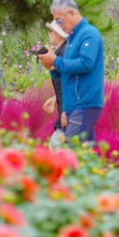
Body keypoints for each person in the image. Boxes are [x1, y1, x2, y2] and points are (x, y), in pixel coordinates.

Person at [37, 0, 104, 143]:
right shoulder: (72, 40)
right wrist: (52, 67)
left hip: (85, 104)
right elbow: (68, 75)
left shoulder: (89, 34)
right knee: (84, 154)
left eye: (59, 20)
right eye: (55, 22)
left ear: (72, 13)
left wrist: (55, 60)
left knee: (71, 154)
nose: (58, 26)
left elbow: (86, 63)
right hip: (75, 107)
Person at [42, 19, 69, 148]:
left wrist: (67, 111)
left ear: (60, 33)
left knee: (56, 146)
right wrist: (55, 98)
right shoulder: (59, 54)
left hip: (71, 114)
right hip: (65, 112)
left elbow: (76, 84)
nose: (49, 33)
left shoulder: (66, 54)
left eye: (51, 30)